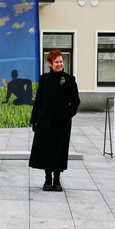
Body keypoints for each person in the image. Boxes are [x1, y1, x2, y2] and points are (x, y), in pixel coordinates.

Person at [29, 49, 80, 192]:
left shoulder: (69, 79)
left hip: (62, 122)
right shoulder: (44, 79)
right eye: (56, 62)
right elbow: (38, 100)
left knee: (59, 149)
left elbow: (75, 101)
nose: (60, 64)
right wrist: (34, 120)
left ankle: (57, 179)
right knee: (46, 149)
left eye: (61, 61)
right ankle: (47, 179)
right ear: (50, 63)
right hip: (45, 121)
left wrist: (67, 115)